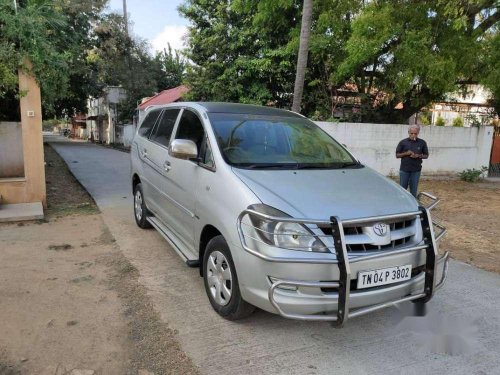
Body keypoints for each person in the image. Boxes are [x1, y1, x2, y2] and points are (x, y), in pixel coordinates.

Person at [396, 125, 429, 197]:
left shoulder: (422, 142)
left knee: (413, 190)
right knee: (402, 189)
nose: (413, 135)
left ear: (418, 133)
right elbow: (397, 155)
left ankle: (413, 205)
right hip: (404, 170)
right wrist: (406, 153)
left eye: (415, 133)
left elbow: (426, 155)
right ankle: (402, 204)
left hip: (416, 170)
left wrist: (418, 156)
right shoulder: (403, 142)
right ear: (408, 132)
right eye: (411, 133)